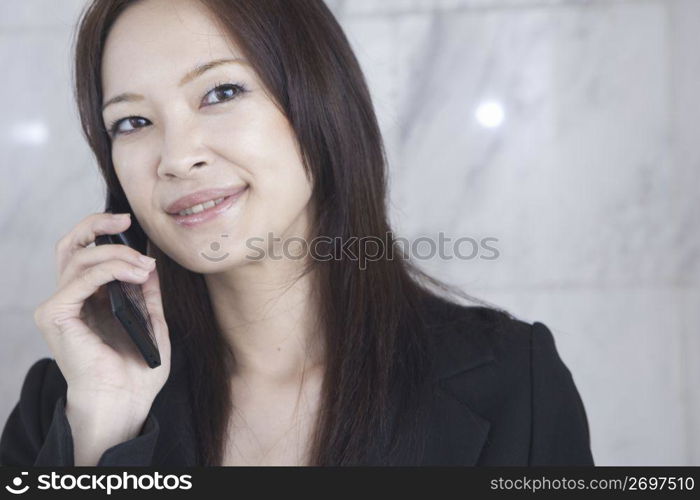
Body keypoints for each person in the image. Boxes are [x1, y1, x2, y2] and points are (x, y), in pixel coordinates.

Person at [0, 0, 594, 466]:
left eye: (221, 92)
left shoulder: (514, 381)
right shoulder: (72, 398)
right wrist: (104, 430)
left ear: (320, 107)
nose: (177, 158)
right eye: (132, 122)